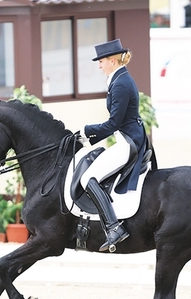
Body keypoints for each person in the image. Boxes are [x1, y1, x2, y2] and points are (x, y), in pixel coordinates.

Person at [79, 39, 148, 252]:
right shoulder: (119, 79)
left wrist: (86, 131)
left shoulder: (120, 83)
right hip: (128, 136)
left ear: (111, 60)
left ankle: (114, 227)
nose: (99, 66)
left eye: (101, 61)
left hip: (128, 141)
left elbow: (113, 124)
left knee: (87, 178)